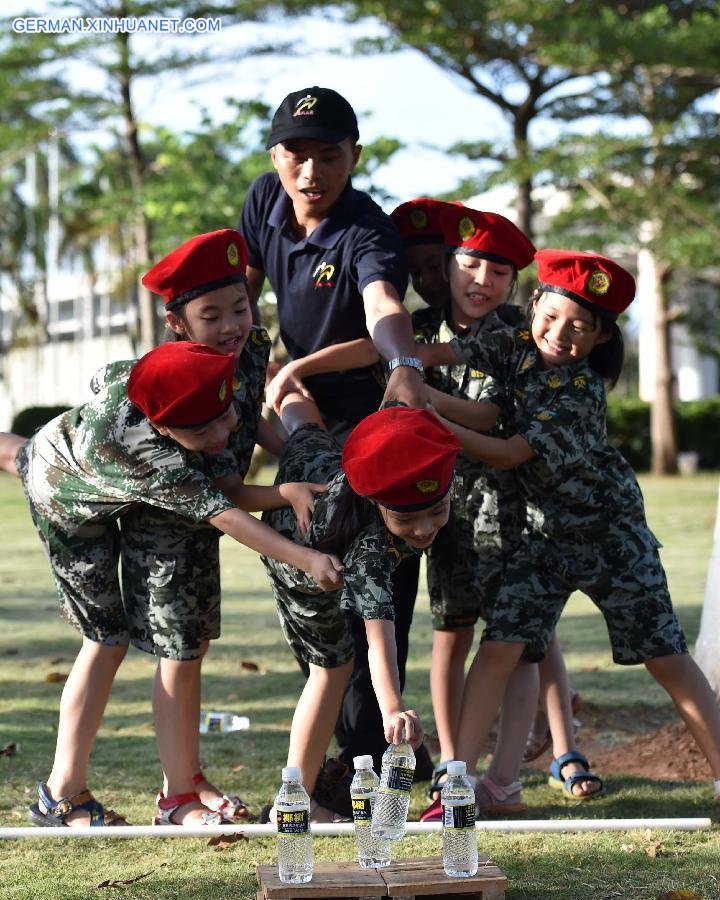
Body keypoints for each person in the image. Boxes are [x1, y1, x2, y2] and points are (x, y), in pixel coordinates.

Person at [416, 249, 720, 804]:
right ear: (533, 306)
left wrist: (432, 419)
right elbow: (445, 348)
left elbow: (510, 454)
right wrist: (403, 364)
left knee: (665, 655)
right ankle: (458, 784)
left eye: (580, 328)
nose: (560, 334)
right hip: (541, 536)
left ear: (602, 338)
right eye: (551, 317)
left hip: (610, 537)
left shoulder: (579, 391)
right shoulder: (514, 345)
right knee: (500, 646)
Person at [0, 336, 342, 827]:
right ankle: (61, 795)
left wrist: (289, 456)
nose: (227, 432)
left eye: (226, 413)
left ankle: (180, 787)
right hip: (69, 507)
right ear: (161, 425)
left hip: (78, 456)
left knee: (25, 452)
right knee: (105, 642)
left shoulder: (144, 378)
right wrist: (306, 558)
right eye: (207, 430)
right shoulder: (155, 459)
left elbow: (106, 379)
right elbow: (227, 514)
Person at [240, 85, 433, 779]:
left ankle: (374, 754)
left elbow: (384, 305)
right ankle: (360, 748)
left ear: (355, 155)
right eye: (296, 154)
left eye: (329, 155)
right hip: (300, 417)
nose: (311, 171)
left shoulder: (367, 229)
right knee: (320, 591)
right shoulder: (263, 200)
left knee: (377, 592)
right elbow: (244, 288)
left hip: (366, 422)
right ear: (274, 156)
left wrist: (404, 363)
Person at [126, 227, 306, 825]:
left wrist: (300, 451)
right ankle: (176, 798)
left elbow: (251, 420)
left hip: (213, 508)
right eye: (211, 315)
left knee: (194, 646)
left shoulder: (251, 346)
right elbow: (223, 508)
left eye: (240, 307)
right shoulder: (167, 374)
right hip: (168, 523)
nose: (231, 325)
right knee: (177, 650)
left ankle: (191, 776)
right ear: (178, 324)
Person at [259, 402, 461, 822]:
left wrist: (288, 392)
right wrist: (392, 707)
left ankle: (283, 389)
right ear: (376, 502)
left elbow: (305, 426)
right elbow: (378, 636)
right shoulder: (369, 549)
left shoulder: (431, 474)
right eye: (407, 517)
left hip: (315, 463)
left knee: (304, 421)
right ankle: (298, 801)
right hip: (302, 568)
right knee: (331, 668)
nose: (424, 529)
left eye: (437, 511)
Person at [410, 204, 539, 819]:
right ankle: (451, 773)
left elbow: (491, 417)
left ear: (514, 284)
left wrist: (423, 399)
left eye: (499, 269)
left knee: (516, 645)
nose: (482, 279)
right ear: (449, 265)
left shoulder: (520, 336)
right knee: (448, 636)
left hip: (513, 511)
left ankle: (506, 778)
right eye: (471, 262)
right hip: (442, 513)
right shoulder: (416, 331)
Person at [390, 197, 458, 309]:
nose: (426, 281)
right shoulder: (411, 326)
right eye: (415, 273)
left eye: (435, 267)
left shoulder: (496, 322)